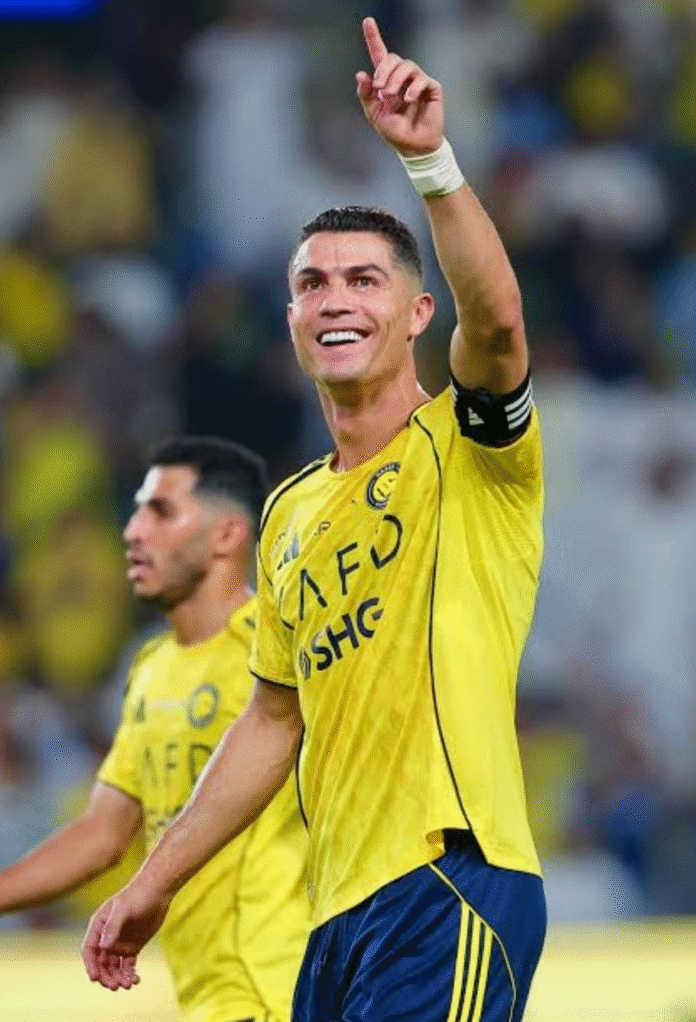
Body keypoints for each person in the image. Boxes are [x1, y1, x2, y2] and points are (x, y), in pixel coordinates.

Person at [83, 18, 547, 1022]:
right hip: (333, 922)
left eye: (364, 279)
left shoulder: (466, 445)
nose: (335, 299)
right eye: (311, 284)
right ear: (292, 321)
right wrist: (152, 883)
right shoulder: (289, 511)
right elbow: (271, 719)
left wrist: (429, 163)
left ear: (418, 315)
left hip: (450, 880)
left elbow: (500, 322)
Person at [0, 437, 310, 1022]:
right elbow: (104, 833)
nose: (133, 531)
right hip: (202, 998)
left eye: (161, 512)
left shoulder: (278, 650)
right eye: (138, 510)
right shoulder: (151, 667)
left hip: (281, 990)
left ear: (227, 535)